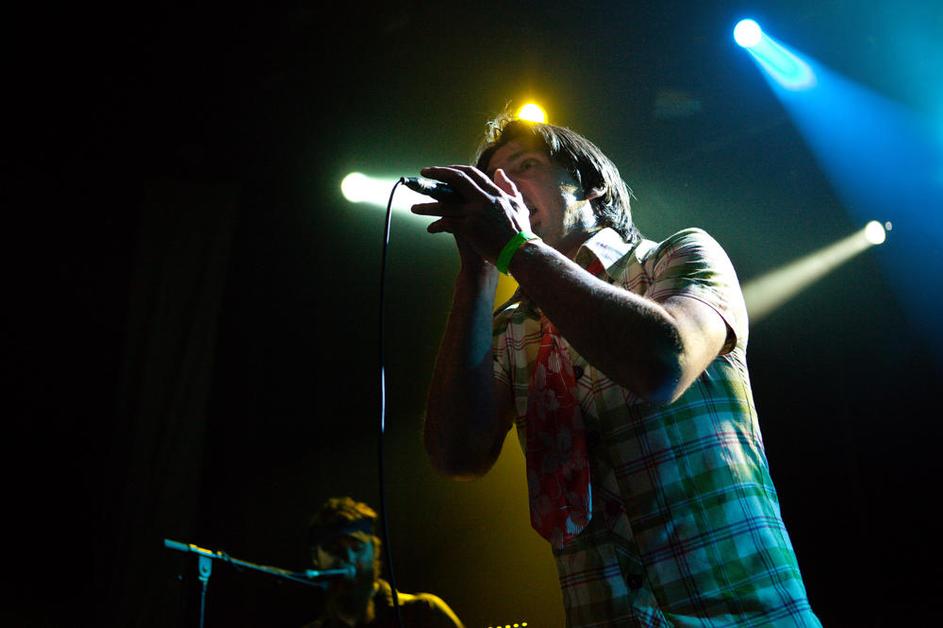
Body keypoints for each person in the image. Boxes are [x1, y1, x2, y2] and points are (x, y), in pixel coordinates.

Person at [413, 115, 820, 626]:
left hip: (744, 615)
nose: (504, 188)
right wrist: (477, 271)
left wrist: (517, 247)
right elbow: (457, 455)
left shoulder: (677, 257)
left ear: (592, 185)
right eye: (494, 178)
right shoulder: (509, 330)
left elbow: (663, 365)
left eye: (525, 166)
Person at [302, 496, 463, 628]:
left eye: (357, 547)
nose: (348, 559)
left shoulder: (422, 613)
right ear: (316, 559)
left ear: (375, 551)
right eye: (334, 549)